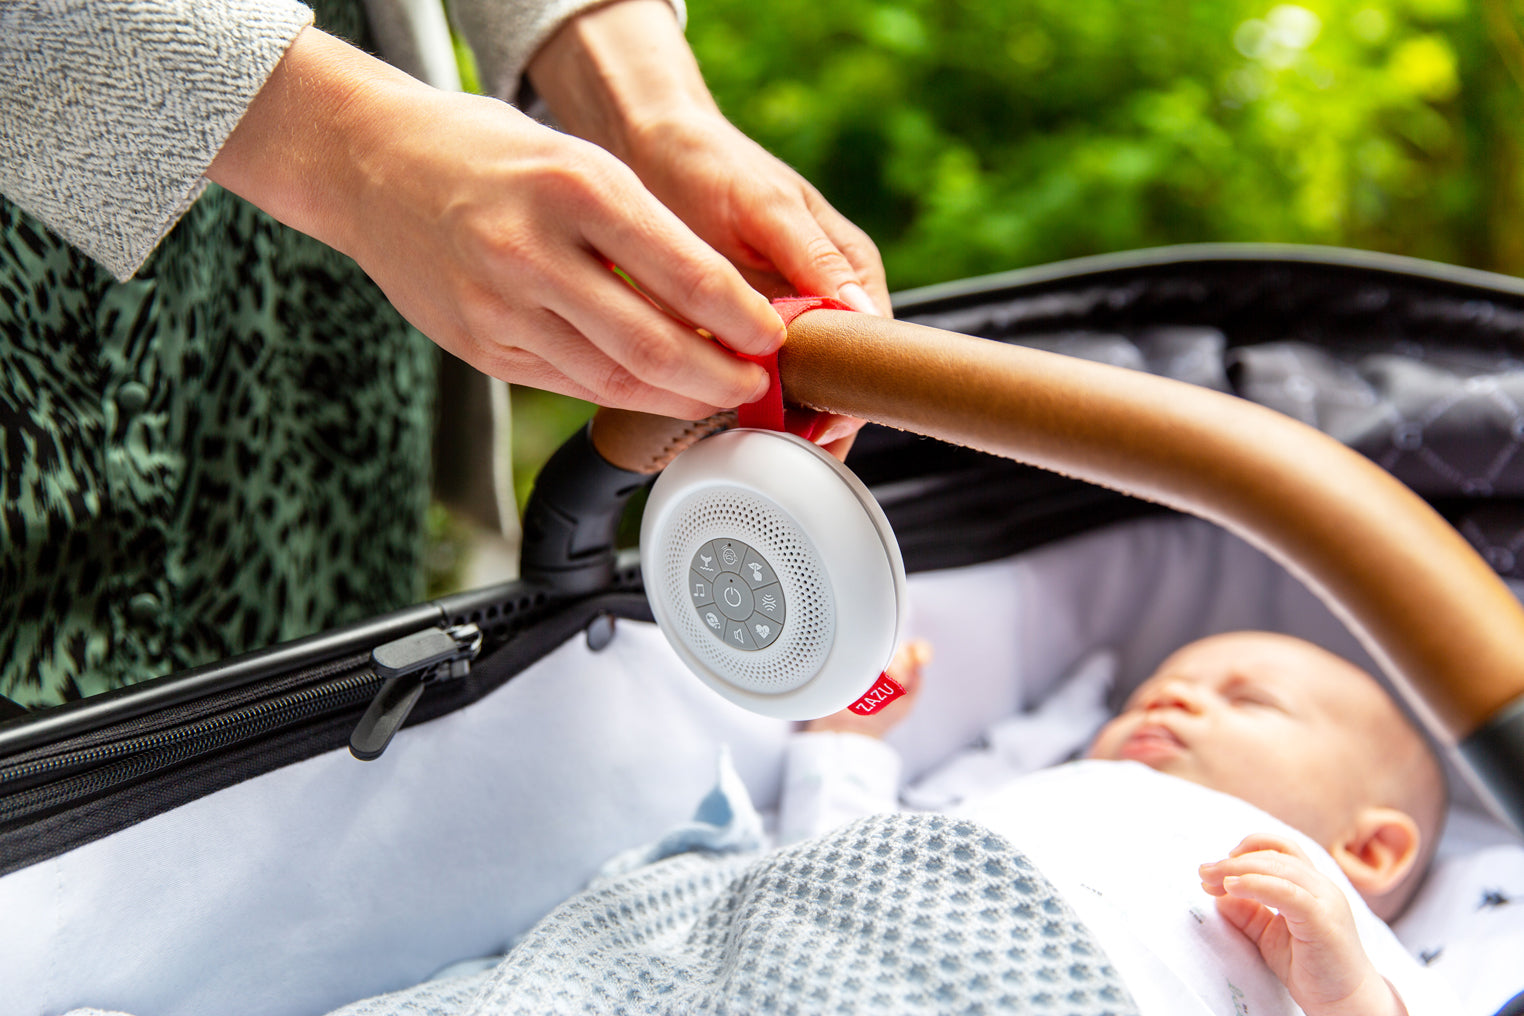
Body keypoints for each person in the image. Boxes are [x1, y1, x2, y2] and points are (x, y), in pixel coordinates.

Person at [0, 0, 885, 708]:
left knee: (328, 677)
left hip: (342, 232)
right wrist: (353, 146)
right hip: (44, 225)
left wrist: (643, 104)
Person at [791, 630, 1452, 1015]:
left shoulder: (1340, 938)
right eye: (1147, 695)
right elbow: (833, 868)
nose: (1170, 695)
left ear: (1368, 847)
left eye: (1248, 700)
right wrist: (850, 736)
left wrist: (1350, 996)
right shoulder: (1043, 791)